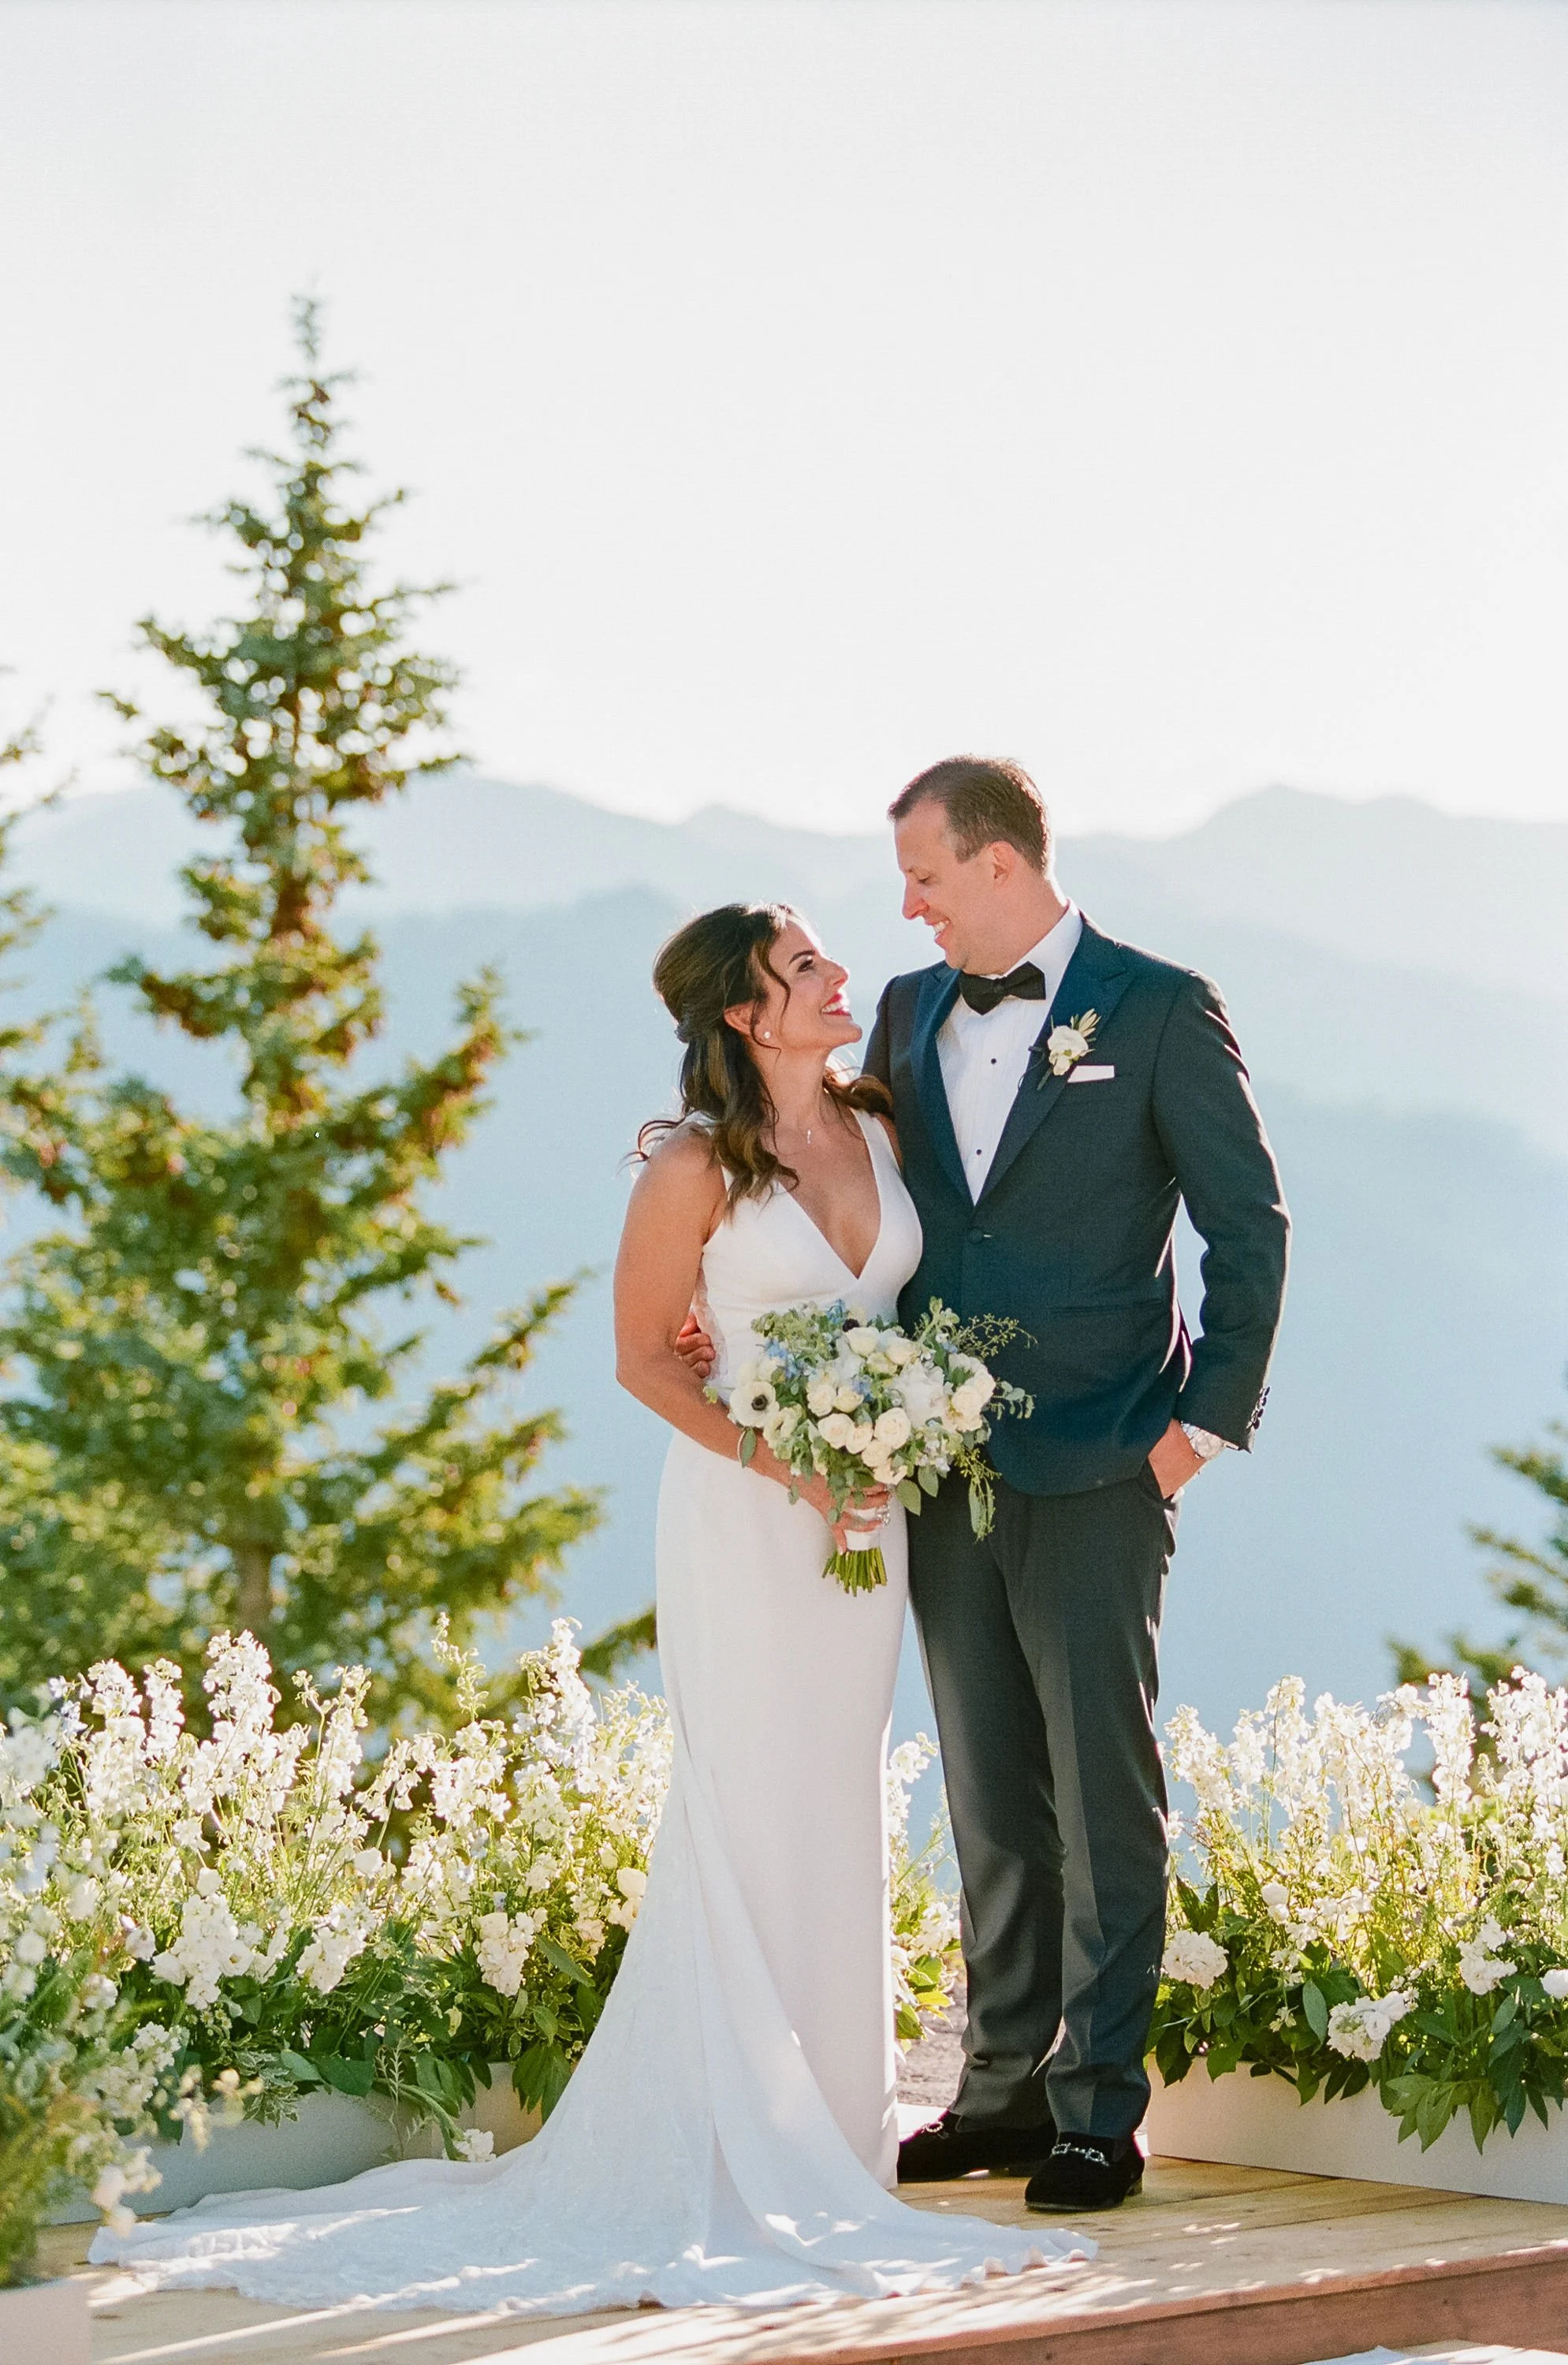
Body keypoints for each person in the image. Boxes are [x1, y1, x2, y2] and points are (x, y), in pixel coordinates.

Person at [90, 899, 1086, 2318]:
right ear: (745, 1014)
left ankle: (835, 2137)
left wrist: (893, 1426)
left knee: (836, 1798)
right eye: (805, 967)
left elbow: (910, 1306)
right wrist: (784, 1458)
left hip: (866, 1527)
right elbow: (642, 1360)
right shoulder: (690, 1169)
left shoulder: (880, 1125)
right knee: (745, 1805)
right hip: (750, 1519)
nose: (837, 976)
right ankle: (739, 2143)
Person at [869, 758, 1290, 2213]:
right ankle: (995, 2094)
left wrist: (1200, 1430)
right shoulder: (909, 1010)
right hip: (941, 1470)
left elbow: (1251, 1226)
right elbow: (866, 1205)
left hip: (1107, 1458)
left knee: (1105, 1797)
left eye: (924, 876)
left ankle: (1102, 2110)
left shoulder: (1160, 1004)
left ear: (998, 864)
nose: (907, 906)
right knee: (991, 1797)